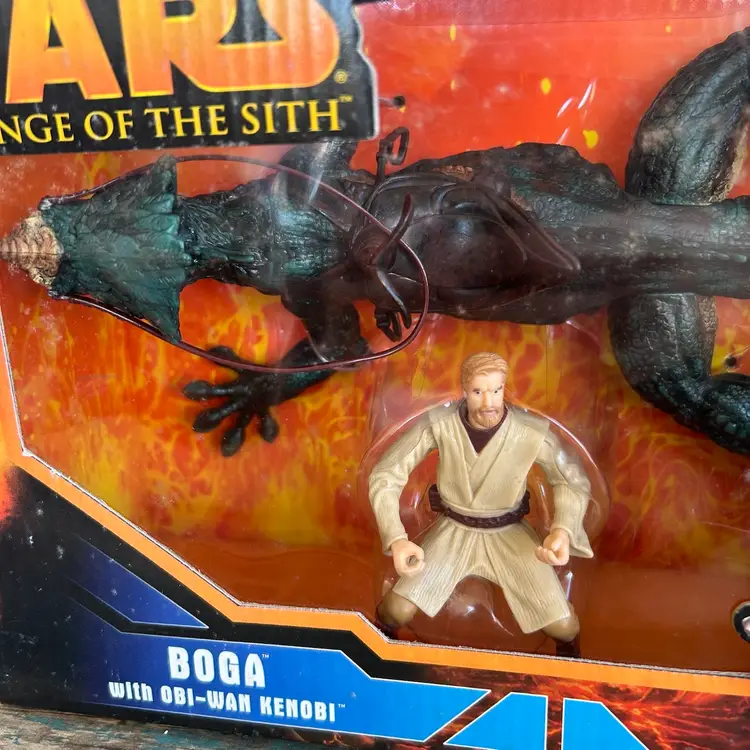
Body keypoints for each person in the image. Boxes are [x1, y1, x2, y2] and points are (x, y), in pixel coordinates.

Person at [368, 352, 594, 657]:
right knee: (396, 610)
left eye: (496, 390)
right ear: (464, 390)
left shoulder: (530, 432)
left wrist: (562, 530)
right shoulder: (440, 424)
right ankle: (379, 655)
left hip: (509, 534)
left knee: (564, 627)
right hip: (454, 530)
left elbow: (570, 480)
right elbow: (386, 474)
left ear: (504, 388)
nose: (488, 402)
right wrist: (396, 538)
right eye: (478, 392)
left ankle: (570, 669)